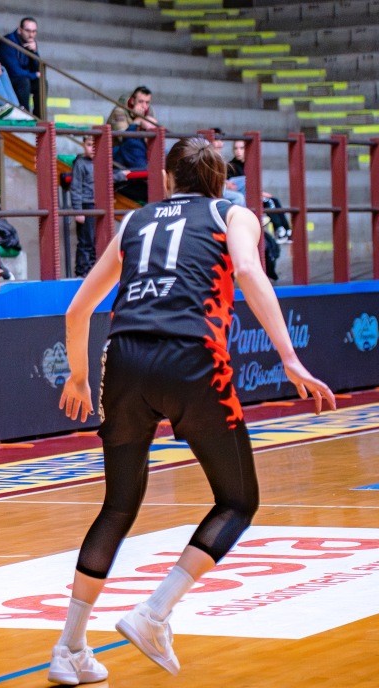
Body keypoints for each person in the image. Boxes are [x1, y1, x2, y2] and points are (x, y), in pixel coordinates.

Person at [48, 137, 335, 685]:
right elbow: (249, 272)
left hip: (125, 358)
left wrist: (80, 376)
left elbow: (78, 307)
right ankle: (153, 613)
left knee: (118, 505)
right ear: (222, 181)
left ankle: (69, 648)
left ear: (165, 178)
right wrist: (290, 357)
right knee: (238, 500)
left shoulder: (135, 223)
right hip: (192, 356)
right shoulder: (235, 213)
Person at [70, 135, 128, 277]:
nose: (92, 148)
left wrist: (120, 175)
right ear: (83, 144)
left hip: (99, 205)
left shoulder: (101, 162)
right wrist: (78, 210)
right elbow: (76, 187)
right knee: (86, 241)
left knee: (98, 240)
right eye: (89, 144)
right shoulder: (80, 164)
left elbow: (108, 177)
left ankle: (94, 270)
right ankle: (82, 271)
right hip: (87, 205)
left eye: (95, 145)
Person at [228, 138, 292, 244]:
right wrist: (260, 193)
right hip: (244, 197)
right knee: (268, 201)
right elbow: (238, 186)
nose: (238, 151)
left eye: (241, 148)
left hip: (252, 194)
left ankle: (287, 230)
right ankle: (279, 229)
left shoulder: (249, 165)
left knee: (274, 200)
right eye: (236, 148)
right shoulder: (231, 166)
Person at [0, 17, 42, 118]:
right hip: (6, 78)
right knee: (24, 81)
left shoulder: (30, 43)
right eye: (28, 31)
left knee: (41, 82)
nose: (31, 35)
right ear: (20, 30)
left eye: (34, 32)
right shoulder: (9, 41)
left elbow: (37, 69)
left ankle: (39, 117)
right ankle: (25, 115)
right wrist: (33, 75)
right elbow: (14, 71)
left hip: (21, 77)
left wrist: (35, 52)